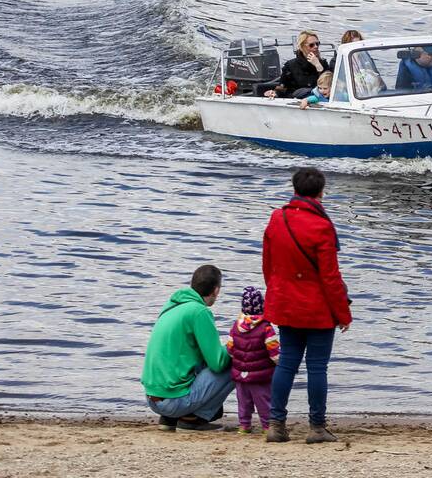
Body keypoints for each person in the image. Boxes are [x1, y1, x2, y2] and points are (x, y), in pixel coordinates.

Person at [261, 167, 352, 444]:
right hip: (317, 309)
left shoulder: (277, 218)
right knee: (316, 368)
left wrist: (277, 293)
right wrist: (343, 313)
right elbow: (330, 277)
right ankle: (316, 427)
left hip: (286, 304)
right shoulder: (322, 226)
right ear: (321, 193)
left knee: (287, 363)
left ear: (294, 189)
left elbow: (268, 264)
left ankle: (276, 425)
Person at [141, 264, 234, 431]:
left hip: (152, 398)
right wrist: (235, 344)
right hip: (173, 401)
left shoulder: (172, 306)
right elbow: (218, 363)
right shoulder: (199, 311)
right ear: (216, 290)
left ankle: (170, 419)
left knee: (195, 359)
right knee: (237, 361)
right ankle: (192, 419)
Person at [225, 286, 280, 435]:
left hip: (240, 374)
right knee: (264, 401)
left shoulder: (236, 327)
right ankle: (267, 426)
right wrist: (280, 365)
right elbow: (274, 352)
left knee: (243, 402)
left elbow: (230, 349)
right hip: (260, 376)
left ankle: (244, 425)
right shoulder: (266, 328)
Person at [265, 31, 325, 98]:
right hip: (296, 99)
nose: (316, 47)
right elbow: (282, 87)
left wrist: (318, 66)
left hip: (318, 99)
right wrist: (274, 93)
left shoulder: (323, 63)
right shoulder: (290, 66)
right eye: (311, 45)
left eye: (317, 44)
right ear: (302, 47)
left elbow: (328, 85)